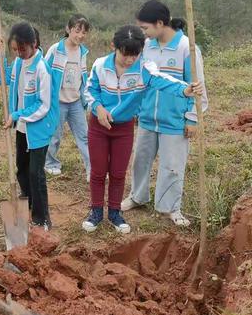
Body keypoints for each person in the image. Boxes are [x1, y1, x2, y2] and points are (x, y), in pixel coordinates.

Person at [82, 25, 203, 234]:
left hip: (124, 128)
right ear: (114, 47)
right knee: (99, 171)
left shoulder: (144, 69)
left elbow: (164, 81)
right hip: (99, 127)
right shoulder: (100, 65)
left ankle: (114, 212)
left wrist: (185, 89)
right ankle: (95, 212)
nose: (130, 60)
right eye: (125, 55)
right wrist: (98, 108)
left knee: (119, 173)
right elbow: (90, 90)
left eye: (135, 55)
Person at [121, 0, 208, 226]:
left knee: (172, 165)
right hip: (148, 118)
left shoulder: (186, 48)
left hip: (175, 120)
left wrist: (193, 119)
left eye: (145, 28)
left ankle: (170, 207)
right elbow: (142, 81)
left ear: (160, 23)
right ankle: (137, 196)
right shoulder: (147, 47)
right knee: (140, 160)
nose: (143, 33)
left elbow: (197, 87)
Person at [0, 22, 58, 230]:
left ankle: (43, 218)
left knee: (36, 173)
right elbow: (0, 78)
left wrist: (16, 114)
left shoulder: (42, 68)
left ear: (33, 44)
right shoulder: (17, 63)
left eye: (22, 49)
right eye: (15, 50)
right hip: (22, 128)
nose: (19, 53)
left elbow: (43, 104)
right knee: (22, 170)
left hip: (39, 129)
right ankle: (28, 206)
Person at [44, 14, 91, 181]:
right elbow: (44, 72)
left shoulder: (83, 52)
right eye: (77, 31)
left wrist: (86, 99)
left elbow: (83, 77)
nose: (80, 35)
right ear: (68, 29)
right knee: (55, 135)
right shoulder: (56, 49)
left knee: (85, 135)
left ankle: (91, 169)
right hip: (58, 101)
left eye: (84, 32)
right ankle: (50, 164)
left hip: (76, 101)